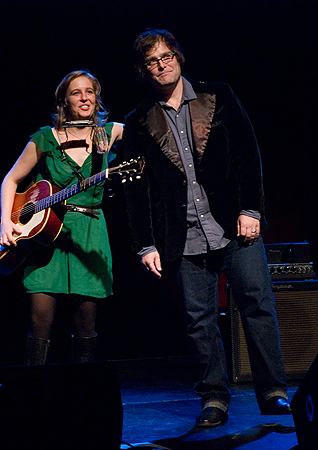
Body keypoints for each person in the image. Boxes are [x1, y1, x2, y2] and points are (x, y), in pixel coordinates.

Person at [123, 28, 291, 427]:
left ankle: (274, 392)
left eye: (166, 57)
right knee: (198, 320)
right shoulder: (139, 120)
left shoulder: (219, 95)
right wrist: (145, 245)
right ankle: (214, 398)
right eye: (152, 61)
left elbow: (249, 155)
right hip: (182, 235)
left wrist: (252, 208)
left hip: (233, 225)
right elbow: (136, 192)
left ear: (179, 58)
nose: (161, 65)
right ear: (143, 70)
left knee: (257, 307)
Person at [0, 70, 123, 365]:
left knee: (85, 329)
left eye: (90, 92)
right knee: (40, 328)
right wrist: (6, 221)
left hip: (90, 234)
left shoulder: (110, 133)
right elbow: (10, 180)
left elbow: (151, 128)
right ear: (64, 101)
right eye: (76, 92)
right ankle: (33, 397)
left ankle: (81, 399)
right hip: (44, 239)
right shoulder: (46, 138)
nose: (84, 98)